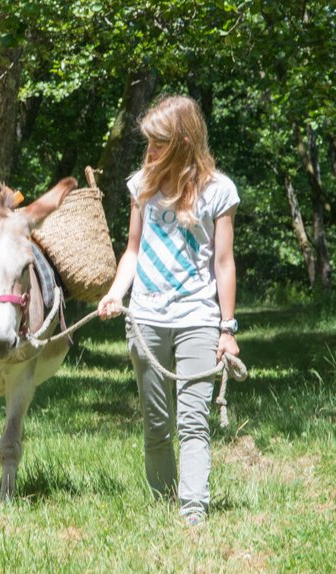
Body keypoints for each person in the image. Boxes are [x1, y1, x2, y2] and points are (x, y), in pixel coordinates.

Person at [97, 95, 241, 526]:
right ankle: (163, 502)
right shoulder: (140, 185)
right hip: (146, 320)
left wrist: (226, 327)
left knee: (194, 422)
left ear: (182, 140)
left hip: (197, 319)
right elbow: (133, 251)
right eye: (148, 142)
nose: (150, 150)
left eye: (158, 142)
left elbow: (224, 262)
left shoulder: (219, 191)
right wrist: (115, 292)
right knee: (157, 425)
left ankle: (192, 511)